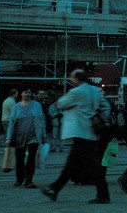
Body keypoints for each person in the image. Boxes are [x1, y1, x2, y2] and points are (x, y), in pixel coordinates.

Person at [42, 69, 111, 204]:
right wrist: (99, 119)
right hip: (91, 131)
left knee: (89, 165)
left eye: (72, 77)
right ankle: (54, 189)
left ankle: (103, 194)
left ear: (77, 79)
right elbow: (106, 107)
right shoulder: (95, 91)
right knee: (73, 163)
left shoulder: (76, 92)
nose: (70, 79)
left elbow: (60, 103)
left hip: (79, 131)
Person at [6, 88, 45, 188]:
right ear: (21, 94)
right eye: (25, 92)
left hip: (34, 136)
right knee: (20, 158)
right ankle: (19, 179)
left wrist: (43, 135)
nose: (27, 94)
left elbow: (41, 120)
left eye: (29, 92)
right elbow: (11, 123)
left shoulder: (37, 105)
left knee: (31, 158)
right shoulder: (16, 107)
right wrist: (8, 138)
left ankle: (29, 181)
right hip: (19, 136)